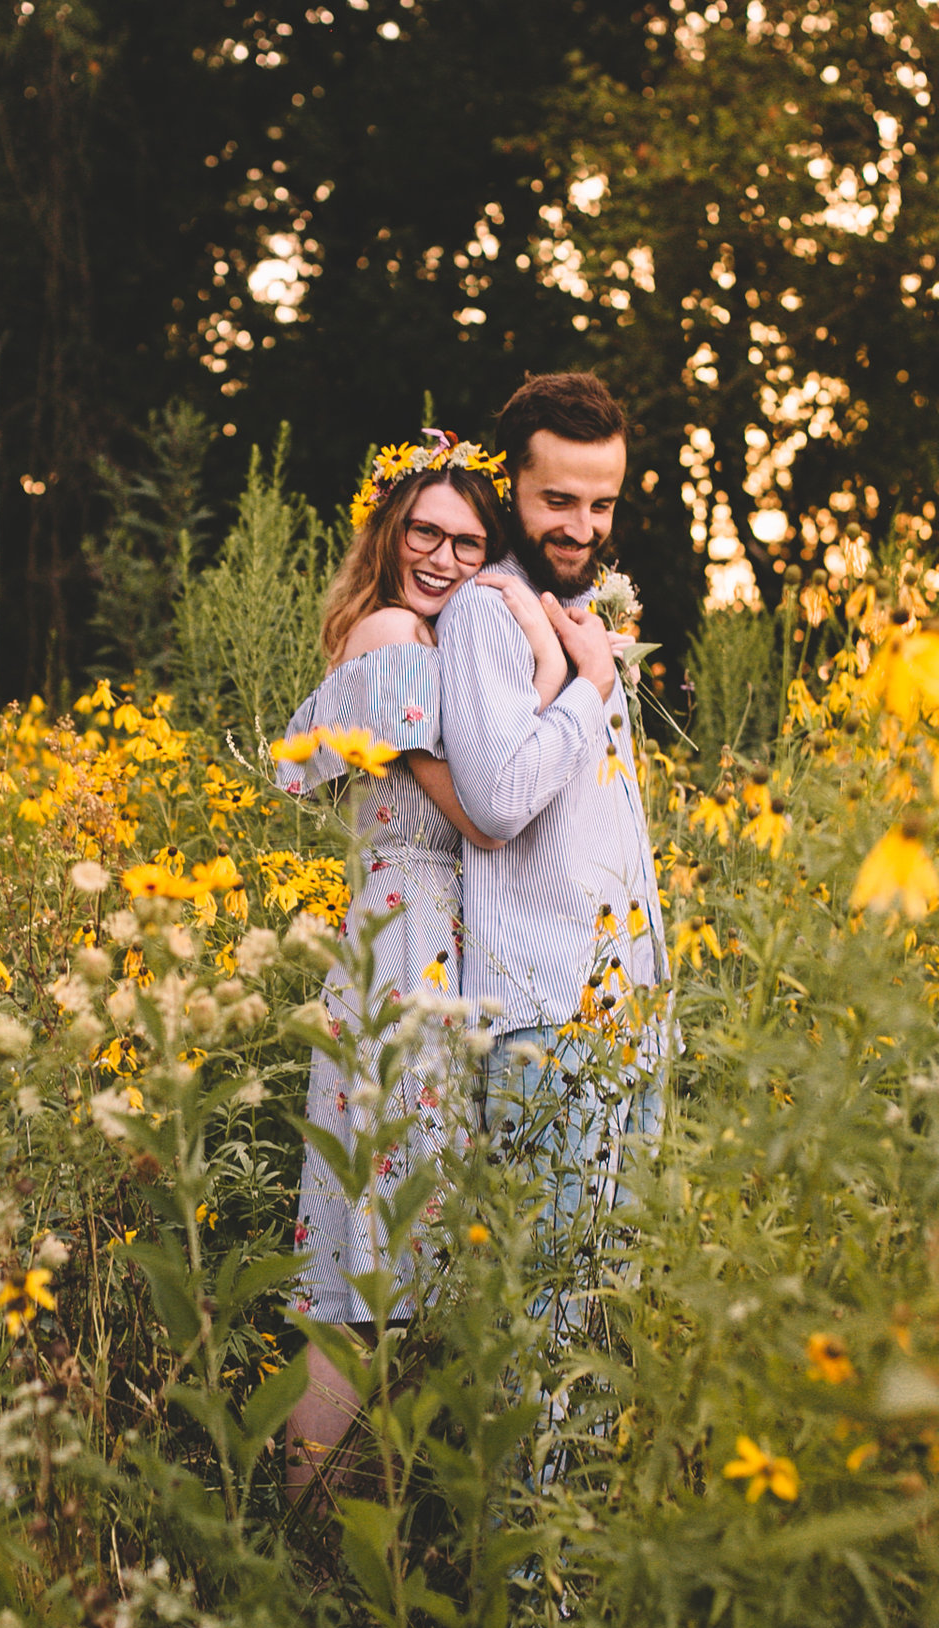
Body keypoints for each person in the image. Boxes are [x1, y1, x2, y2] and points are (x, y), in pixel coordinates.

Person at [272, 431, 570, 1501]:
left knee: (370, 1255)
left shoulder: (393, 630)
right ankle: (314, 1536)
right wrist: (552, 651)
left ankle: (333, 1540)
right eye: (426, 533)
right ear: (390, 531)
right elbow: (481, 818)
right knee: (372, 1267)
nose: (442, 558)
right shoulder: (399, 633)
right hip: (412, 941)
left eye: (469, 543)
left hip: (404, 935)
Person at [433, 373, 667, 1254]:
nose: (582, 527)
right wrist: (592, 686)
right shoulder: (486, 616)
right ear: (510, 492)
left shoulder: (568, 614)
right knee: (552, 1315)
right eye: (558, 500)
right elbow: (494, 803)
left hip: (622, 1010)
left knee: (610, 1308)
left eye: (601, 504)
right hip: (547, 1019)